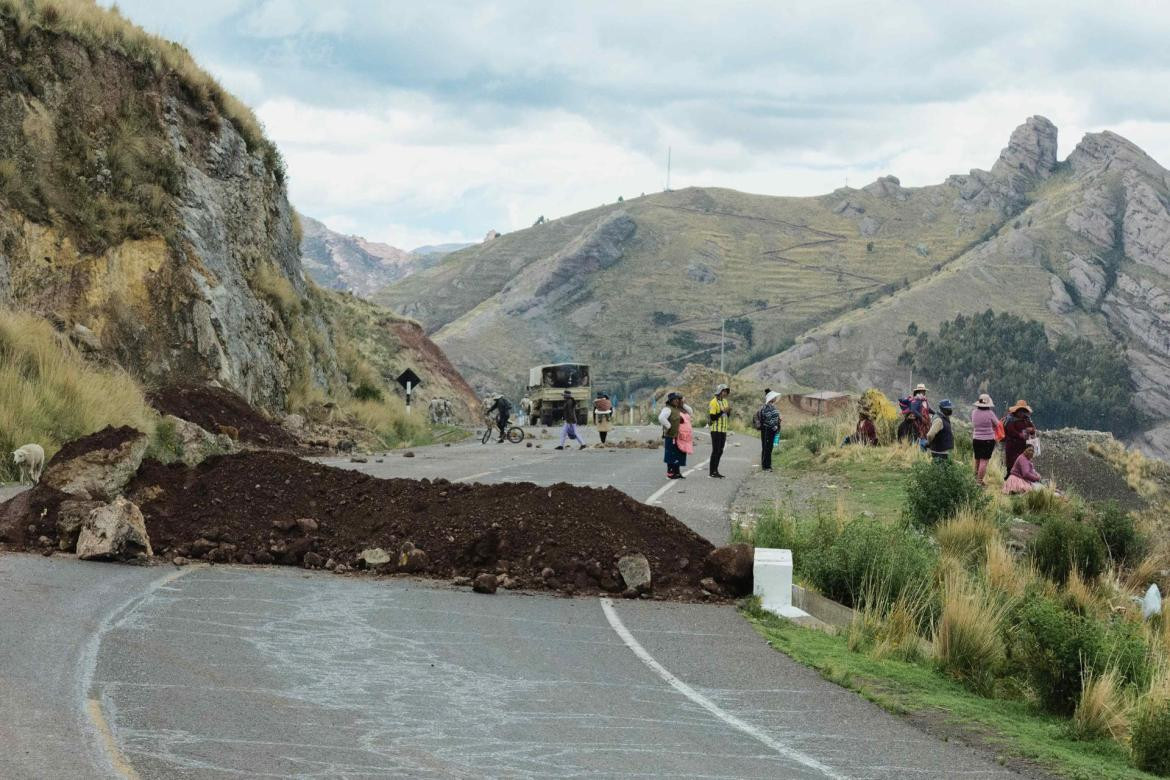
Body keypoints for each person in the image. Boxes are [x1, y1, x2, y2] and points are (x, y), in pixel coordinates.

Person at [658, 392, 693, 479]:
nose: (677, 401)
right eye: (675, 399)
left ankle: (677, 472)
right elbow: (661, 418)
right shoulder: (668, 409)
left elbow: (690, 411)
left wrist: (683, 404)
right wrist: (669, 426)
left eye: (678, 399)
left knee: (678, 454)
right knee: (671, 454)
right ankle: (670, 473)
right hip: (671, 436)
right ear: (670, 401)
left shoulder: (679, 409)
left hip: (678, 436)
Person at [1002, 400, 1036, 477]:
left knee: (1022, 462)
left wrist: (1030, 430)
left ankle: (1020, 481)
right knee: (1011, 463)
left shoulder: (1027, 419)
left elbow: (1033, 429)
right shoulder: (1010, 419)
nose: (1021, 413)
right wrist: (1019, 434)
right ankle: (1010, 481)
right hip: (1012, 444)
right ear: (1016, 410)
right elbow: (1010, 430)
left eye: (1023, 411)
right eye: (1020, 411)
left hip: (1022, 445)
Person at [970, 393, 998, 485]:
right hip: (988, 440)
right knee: (984, 461)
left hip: (976, 439)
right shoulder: (990, 413)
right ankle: (979, 482)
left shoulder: (974, 412)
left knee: (977, 459)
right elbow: (997, 424)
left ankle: (975, 479)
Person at [707, 384, 731, 478]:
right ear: (720, 391)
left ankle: (715, 470)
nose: (725, 393)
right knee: (716, 450)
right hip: (715, 429)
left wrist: (728, 411)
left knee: (720, 451)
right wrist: (723, 411)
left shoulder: (725, 401)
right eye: (724, 391)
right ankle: (712, 472)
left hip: (723, 429)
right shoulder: (713, 402)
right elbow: (712, 417)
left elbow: (727, 416)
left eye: (726, 392)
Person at [758, 391, 782, 472]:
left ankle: (768, 465)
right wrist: (774, 427)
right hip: (767, 430)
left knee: (770, 448)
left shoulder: (772, 406)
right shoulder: (767, 407)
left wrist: (778, 420)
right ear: (771, 398)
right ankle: (765, 466)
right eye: (774, 397)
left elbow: (774, 417)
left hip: (771, 430)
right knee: (766, 448)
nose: (775, 398)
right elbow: (768, 419)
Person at [909, 383, 932, 448]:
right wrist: (921, 417)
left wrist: (935, 413)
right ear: (919, 391)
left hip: (925, 423)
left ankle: (922, 452)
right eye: (923, 390)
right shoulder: (916, 400)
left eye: (924, 390)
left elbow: (928, 409)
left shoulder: (924, 400)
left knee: (925, 436)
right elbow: (913, 410)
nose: (924, 392)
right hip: (919, 423)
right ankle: (919, 452)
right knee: (920, 436)